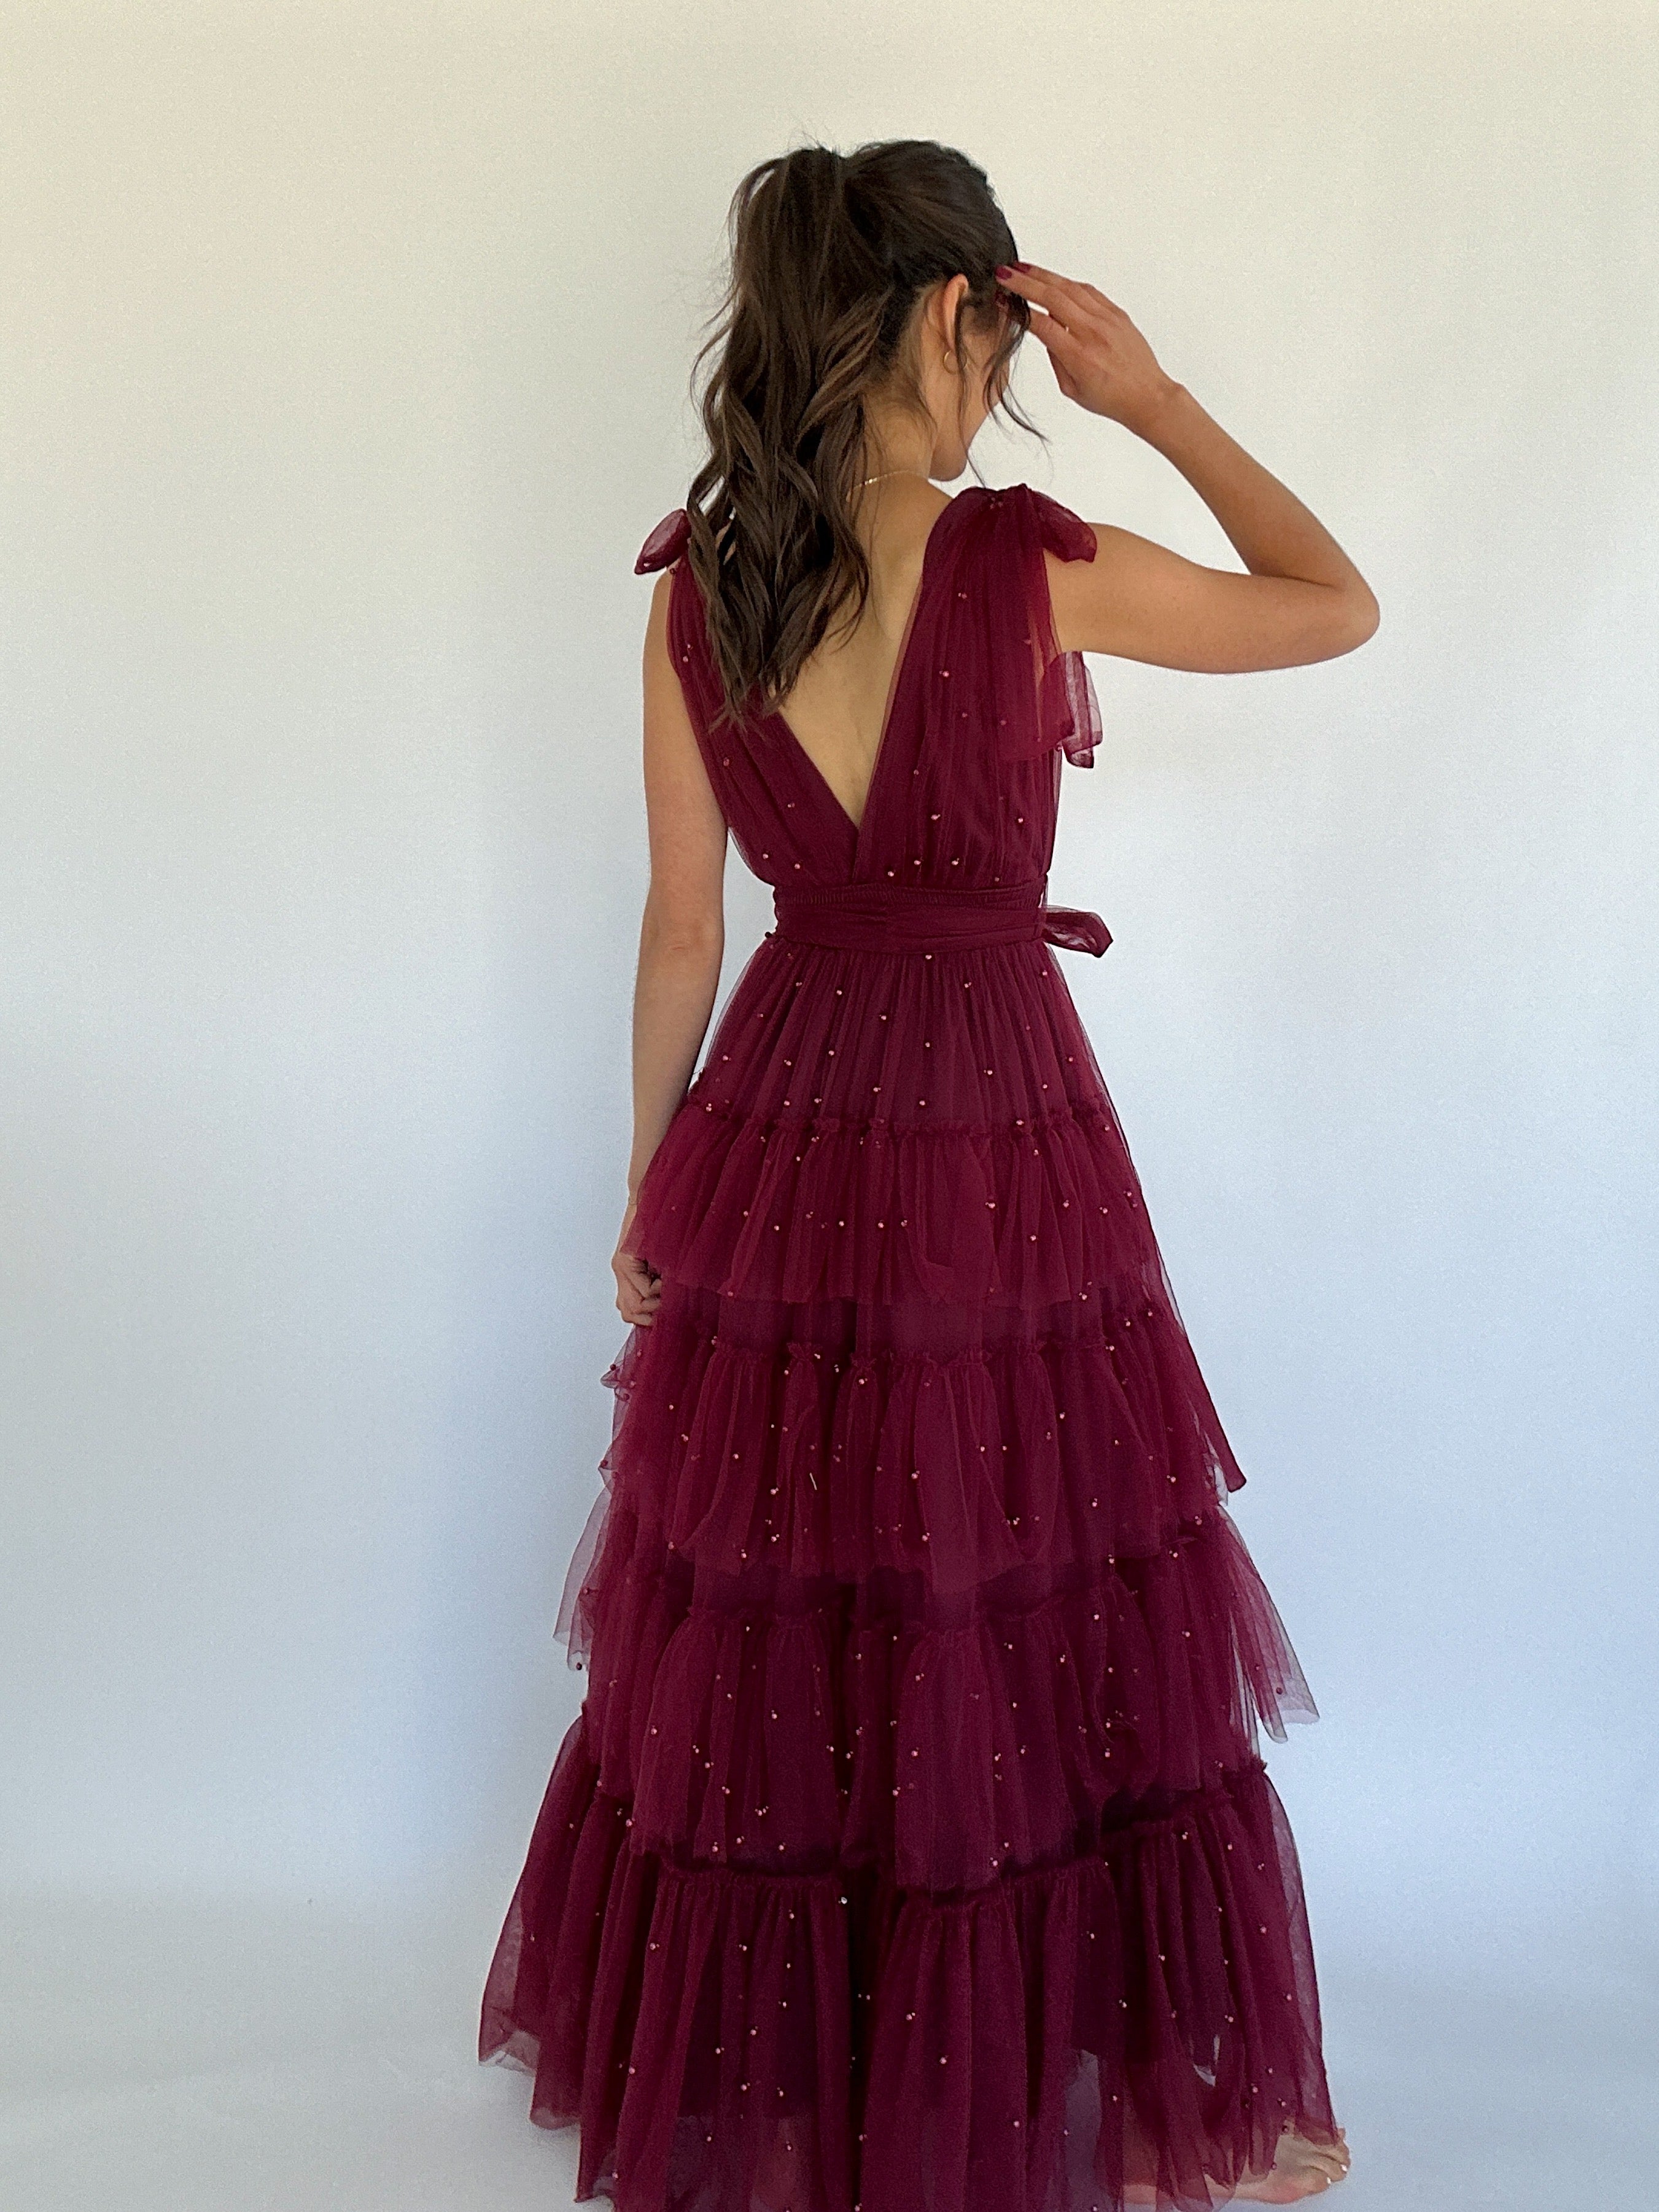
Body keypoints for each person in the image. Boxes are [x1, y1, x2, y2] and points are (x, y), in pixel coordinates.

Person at [480, 136, 1377, 2212]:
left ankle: (823, 2074)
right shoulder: (1025, 561)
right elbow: (1333, 606)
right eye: (1004, 340)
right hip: (993, 1119)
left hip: (784, 1118)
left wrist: (649, 1183)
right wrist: (1160, 401)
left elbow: (683, 927)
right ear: (954, 315)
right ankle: (1026, 2062)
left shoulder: (706, 586)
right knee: (1013, 1564)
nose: (1014, 385)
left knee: (806, 1582)